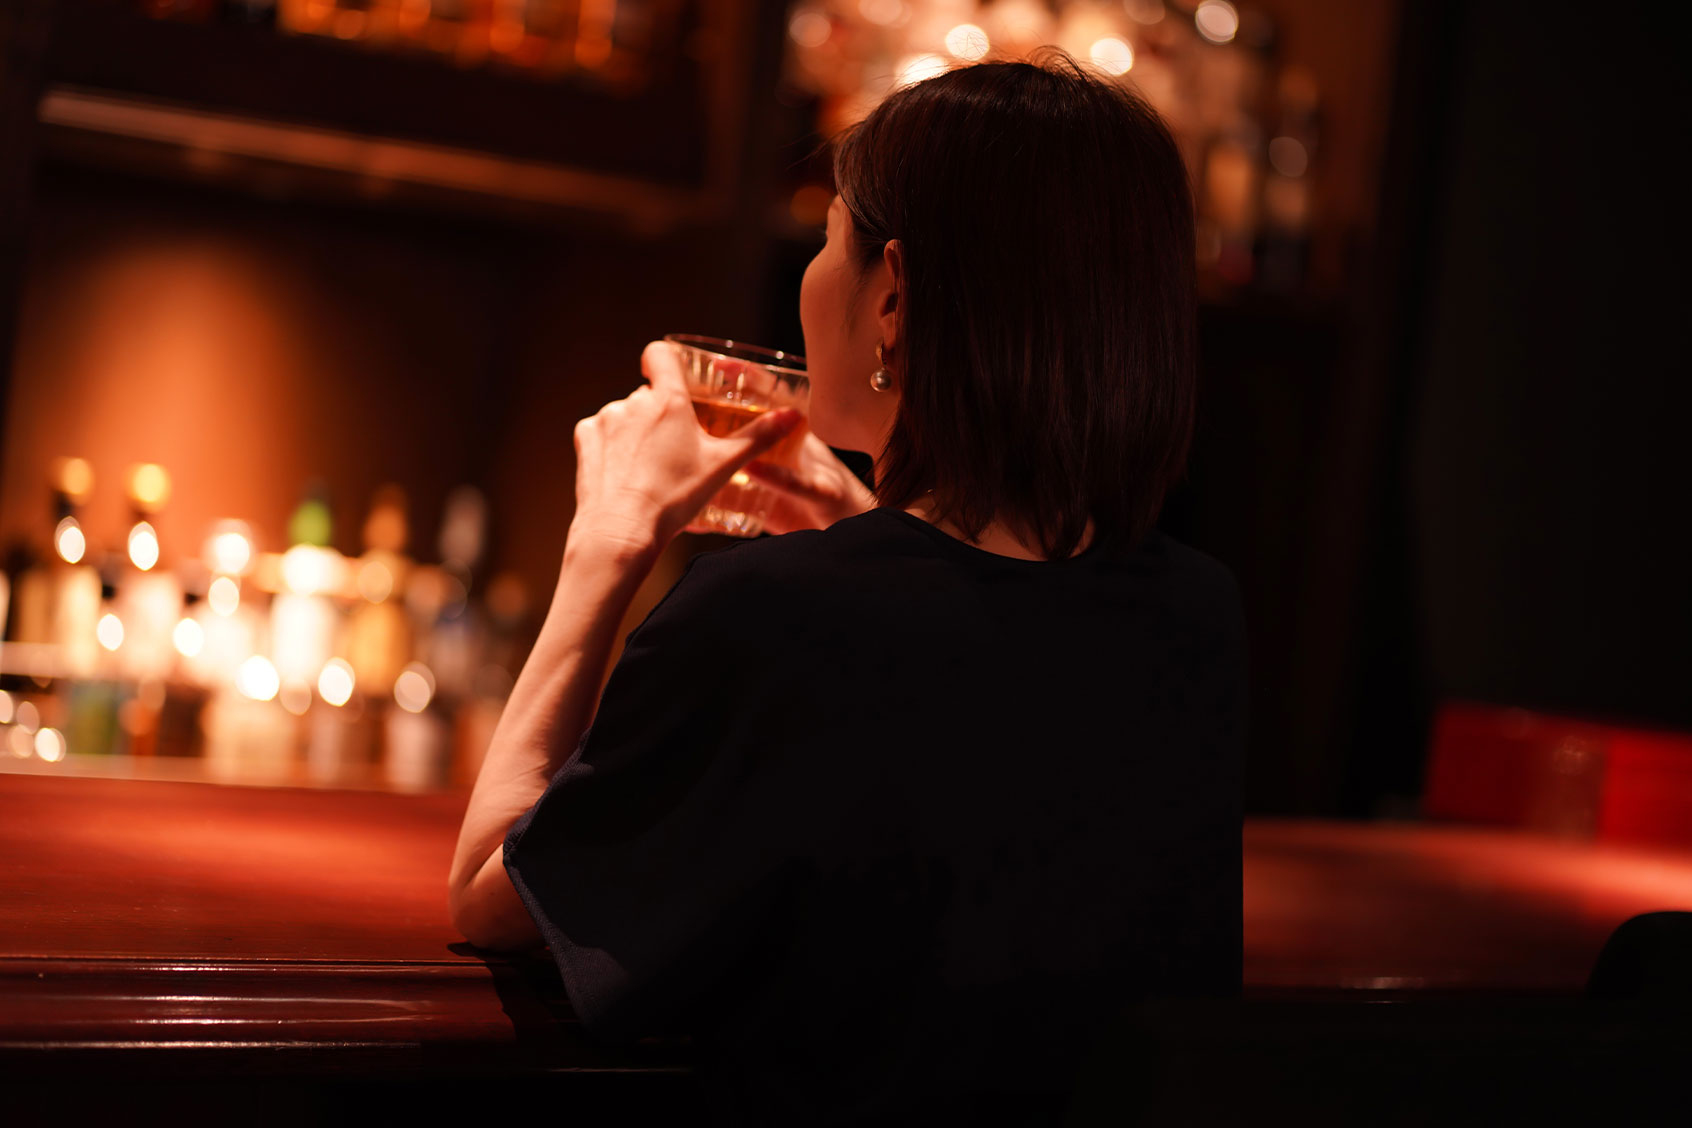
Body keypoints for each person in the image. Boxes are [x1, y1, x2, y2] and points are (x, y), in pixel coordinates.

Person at [449, 53, 1248, 1126]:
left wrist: (607, 546)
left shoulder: (775, 619)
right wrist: (875, 539)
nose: (814, 270)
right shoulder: (1194, 616)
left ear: (893, 297)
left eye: (829, 237)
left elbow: (495, 896)